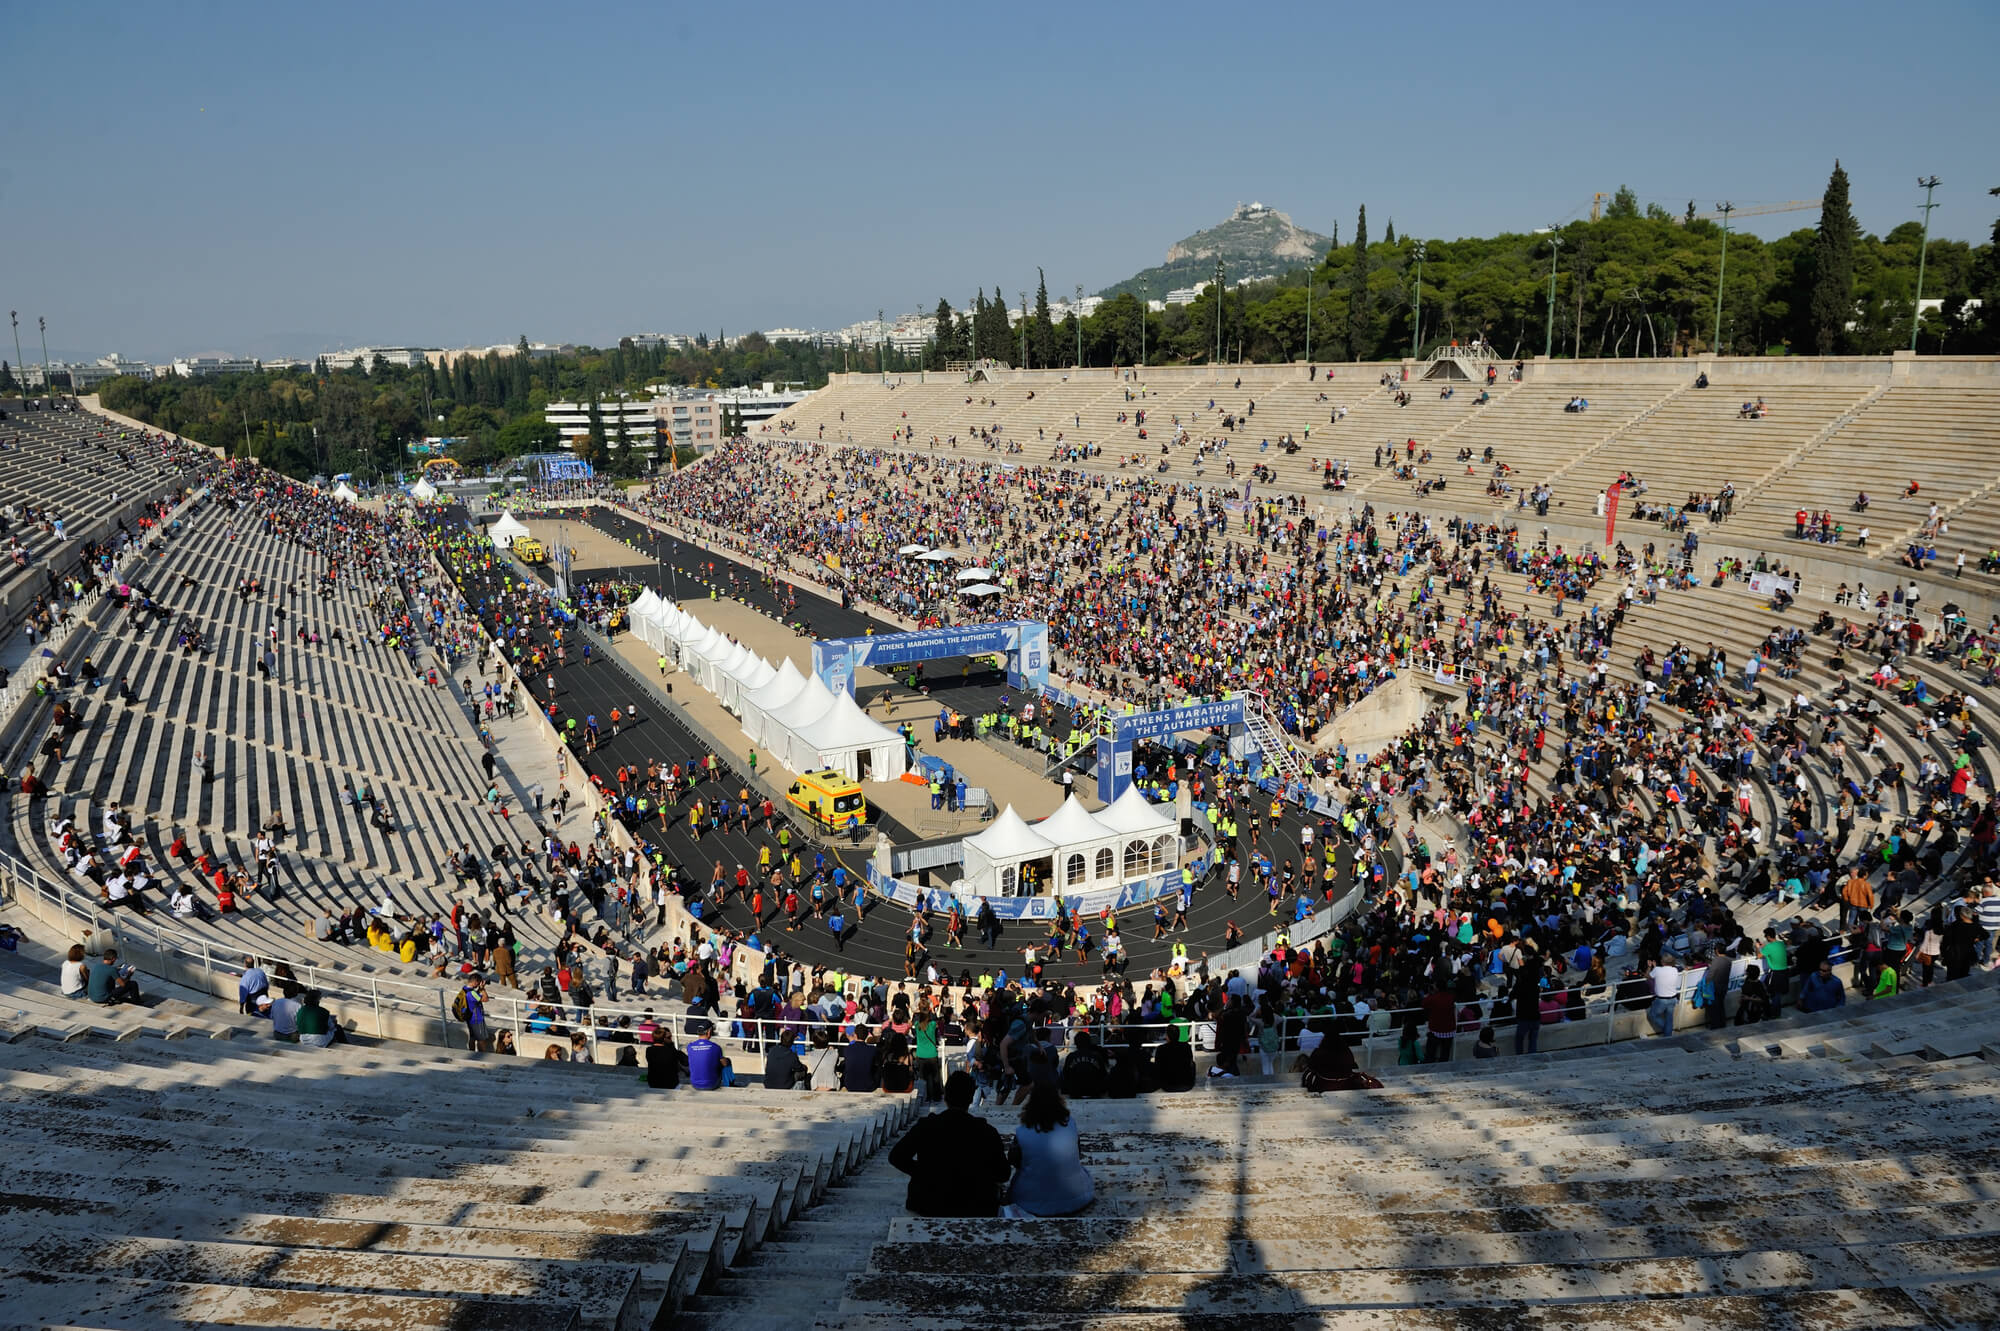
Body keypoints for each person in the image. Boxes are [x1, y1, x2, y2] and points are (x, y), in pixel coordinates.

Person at [888, 1070, 1011, 1217]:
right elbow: (1003, 1174)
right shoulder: (986, 1131)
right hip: (976, 1206)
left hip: (930, 1204)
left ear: (946, 1097)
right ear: (971, 1098)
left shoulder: (927, 1126)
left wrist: (925, 1172)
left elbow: (896, 1157)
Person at [1007, 1082, 1094, 1217]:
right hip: (1076, 1197)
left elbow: (1014, 1160)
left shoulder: (1022, 1132)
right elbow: (1078, 1152)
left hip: (1031, 1200)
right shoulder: (1071, 1123)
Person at [1153, 1023, 1196, 1091]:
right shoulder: (1186, 1046)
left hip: (1167, 1086)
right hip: (1186, 1085)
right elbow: (1190, 1063)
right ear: (1178, 1035)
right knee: (1193, 1063)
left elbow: (1157, 1066)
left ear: (1167, 1036)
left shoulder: (1161, 1048)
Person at [686, 1024, 723, 1089]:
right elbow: (723, 1063)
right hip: (712, 1084)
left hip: (695, 1084)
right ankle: (730, 1083)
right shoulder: (716, 1047)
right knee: (726, 1062)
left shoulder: (690, 1046)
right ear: (709, 1032)